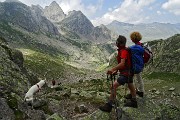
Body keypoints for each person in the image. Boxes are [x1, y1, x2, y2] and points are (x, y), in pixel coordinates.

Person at [99, 35, 138, 113]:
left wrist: (113, 69)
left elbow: (122, 63)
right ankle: (134, 101)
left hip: (126, 73)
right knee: (130, 84)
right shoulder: (124, 50)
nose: (115, 43)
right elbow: (124, 64)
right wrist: (117, 70)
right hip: (130, 72)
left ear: (119, 43)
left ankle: (109, 105)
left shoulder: (123, 51)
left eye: (116, 42)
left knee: (114, 86)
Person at [125, 31, 144, 99]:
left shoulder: (133, 48)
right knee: (139, 78)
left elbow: (127, 49)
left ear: (133, 39)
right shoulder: (141, 46)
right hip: (140, 65)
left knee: (130, 80)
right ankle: (141, 92)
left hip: (134, 66)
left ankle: (132, 94)